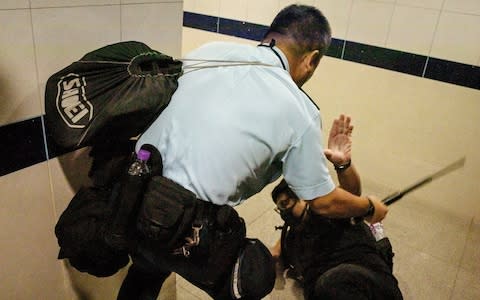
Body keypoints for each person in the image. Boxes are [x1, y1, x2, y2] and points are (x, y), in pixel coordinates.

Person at [117, 4, 389, 300]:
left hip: (133, 195)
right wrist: (369, 207)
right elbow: (322, 203)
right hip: (189, 229)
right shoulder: (301, 111)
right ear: (311, 60)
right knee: (254, 277)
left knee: (146, 268)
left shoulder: (210, 51)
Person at [269, 116, 403, 299]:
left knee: (332, 282)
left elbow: (351, 193)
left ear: (304, 197)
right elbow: (276, 260)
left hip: (364, 280)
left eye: (286, 203)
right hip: (322, 291)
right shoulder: (289, 239)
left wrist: (343, 165)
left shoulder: (330, 211)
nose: (285, 212)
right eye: (280, 208)